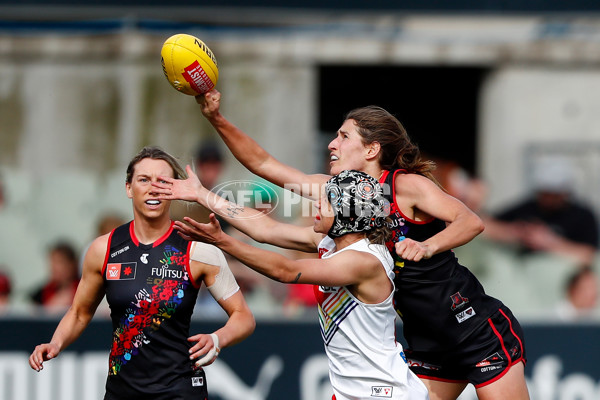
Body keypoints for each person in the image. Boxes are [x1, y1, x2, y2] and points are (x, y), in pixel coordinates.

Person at [182, 90, 530, 400]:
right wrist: (216, 118)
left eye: (343, 136)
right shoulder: (339, 196)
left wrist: (427, 247)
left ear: (372, 148)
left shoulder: (404, 186)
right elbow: (262, 165)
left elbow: (471, 220)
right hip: (425, 341)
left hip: (472, 327)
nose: (332, 144)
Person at [169, 170, 430, 400]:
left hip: (384, 392)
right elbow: (264, 228)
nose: (316, 204)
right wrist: (202, 194)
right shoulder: (331, 243)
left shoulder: (364, 261)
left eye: (327, 200)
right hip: (353, 391)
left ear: (347, 212)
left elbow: (285, 270)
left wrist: (222, 241)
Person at [29, 146, 255, 400]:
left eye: (162, 181)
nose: (153, 188)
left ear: (173, 189)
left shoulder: (198, 252)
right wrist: (55, 343)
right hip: (122, 392)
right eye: (144, 180)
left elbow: (244, 316)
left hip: (179, 391)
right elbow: (79, 312)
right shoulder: (103, 250)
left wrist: (218, 339)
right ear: (128, 188)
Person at [483, 157, 599, 268]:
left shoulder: (582, 215)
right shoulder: (528, 208)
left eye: (554, 194)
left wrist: (550, 243)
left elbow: (588, 256)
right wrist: (516, 233)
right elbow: (487, 225)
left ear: (565, 193)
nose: (548, 199)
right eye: (544, 193)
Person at [30, 241, 81, 313]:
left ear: (72, 264)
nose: (54, 267)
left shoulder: (83, 289)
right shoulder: (41, 294)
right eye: (52, 262)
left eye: (59, 262)